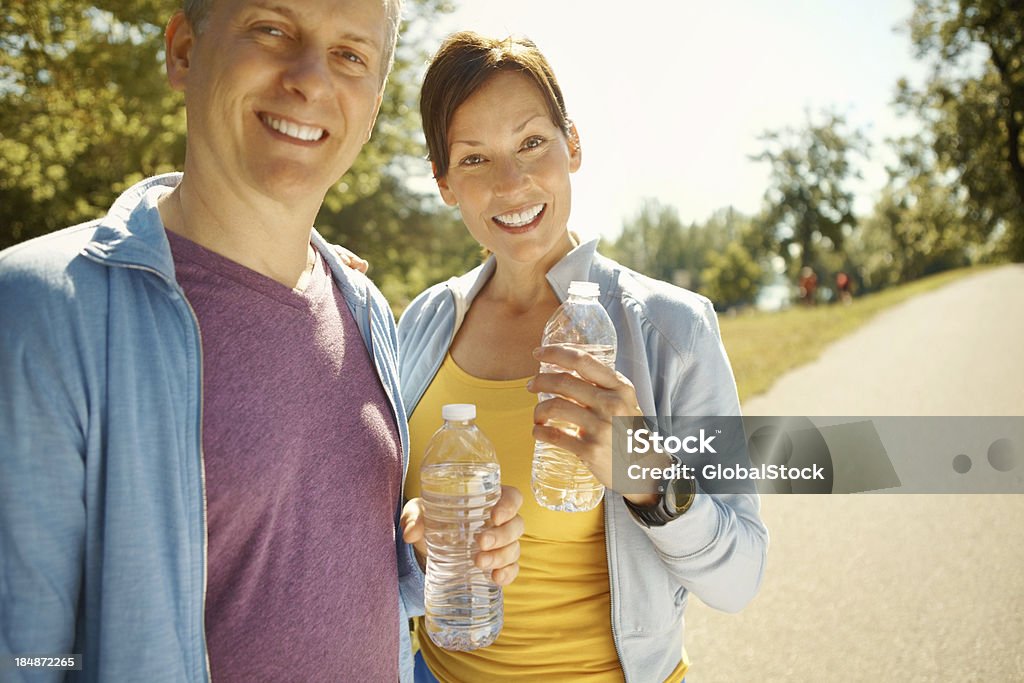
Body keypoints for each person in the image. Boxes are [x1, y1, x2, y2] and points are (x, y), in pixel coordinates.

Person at [0, 3, 523, 681]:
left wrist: (434, 554)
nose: (309, 78)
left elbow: (328, 574)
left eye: (350, 55)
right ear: (185, 50)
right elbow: (25, 655)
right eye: (272, 29)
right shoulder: (40, 312)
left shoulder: (366, 309)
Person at [397, 32, 769, 683]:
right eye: (475, 159)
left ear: (573, 144)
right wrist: (421, 547)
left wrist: (648, 476)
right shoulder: (419, 326)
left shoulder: (671, 330)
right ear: (445, 183)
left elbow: (740, 577)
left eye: (531, 143)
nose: (511, 184)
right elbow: (382, 556)